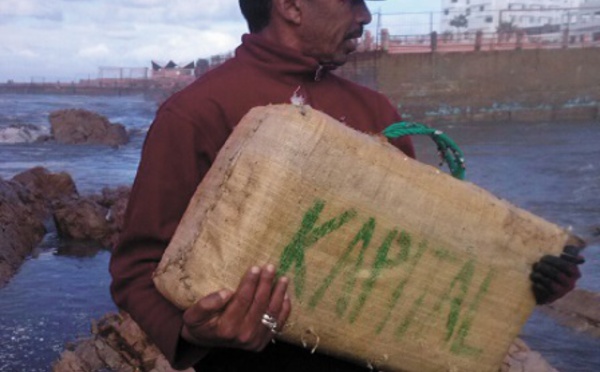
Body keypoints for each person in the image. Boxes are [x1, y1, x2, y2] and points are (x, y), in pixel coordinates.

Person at [109, 1, 584, 371]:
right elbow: (137, 269)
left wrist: (523, 279)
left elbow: (417, 256)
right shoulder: (197, 113)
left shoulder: (377, 111)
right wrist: (194, 334)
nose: (364, 15)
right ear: (291, 5)